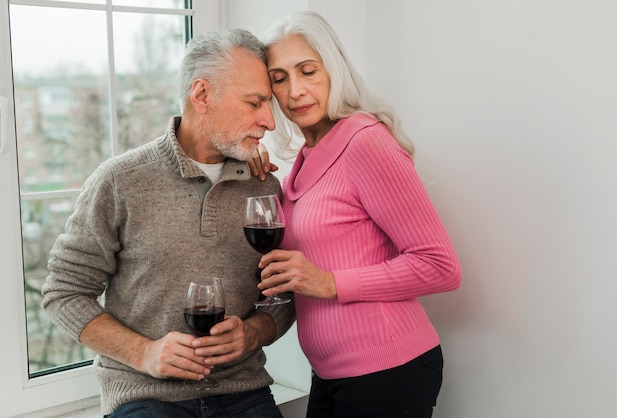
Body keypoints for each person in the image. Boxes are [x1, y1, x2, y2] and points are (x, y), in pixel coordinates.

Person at [41, 28, 295, 418]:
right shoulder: (120, 181)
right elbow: (64, 292)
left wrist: (252, 334)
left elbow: (282, 295)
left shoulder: (263, 188)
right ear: (202, 95)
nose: (269, 121)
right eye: (254, 102)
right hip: (146, 397)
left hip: (244, 394)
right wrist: (144, 353)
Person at [256, 11, 463, 418]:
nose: (296, 90)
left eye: (308, 71)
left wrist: (328, 282)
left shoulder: (365, 141)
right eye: (280, 78)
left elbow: (441, 266)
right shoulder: (305, 157)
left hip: (387, 370)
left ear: (333, 69)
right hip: (331, 374)